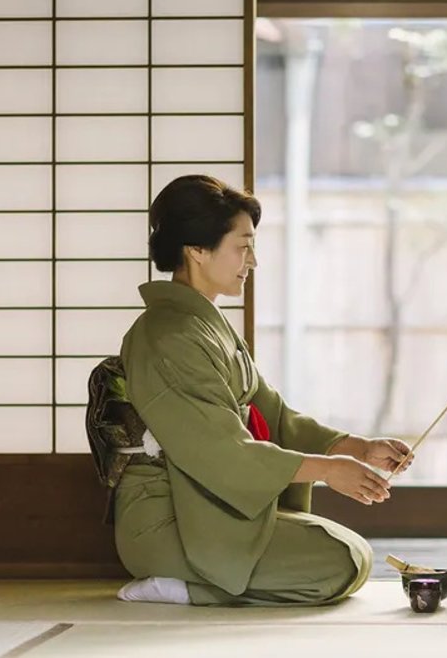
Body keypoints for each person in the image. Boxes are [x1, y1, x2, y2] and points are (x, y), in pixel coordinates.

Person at [113, 174, 412, 606]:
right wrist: (328, 471)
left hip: (207, 505)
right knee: (341, 561)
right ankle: (183, 586)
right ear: (197, 249)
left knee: (351, 555)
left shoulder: (204, 327)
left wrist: (358, 448)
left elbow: (273, 416)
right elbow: (219, 451)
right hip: (170, 519)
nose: (252, 260)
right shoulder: (167, 336)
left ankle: (199, 584)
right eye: (242, 246)